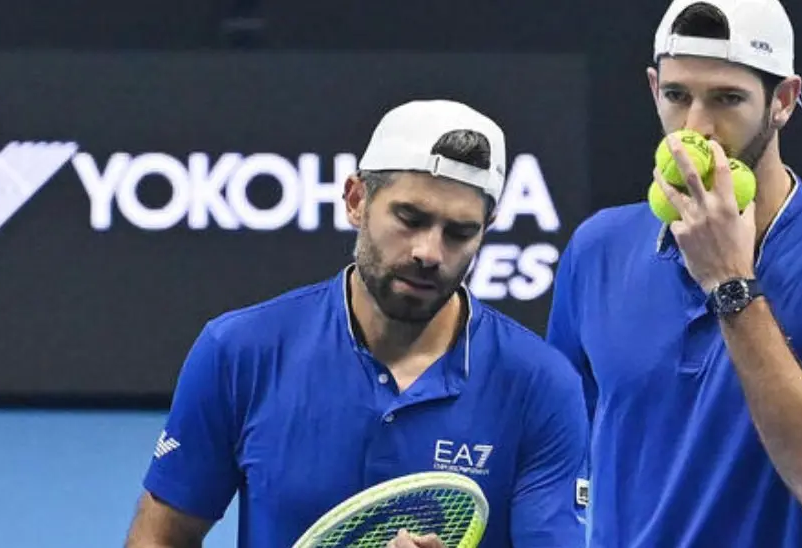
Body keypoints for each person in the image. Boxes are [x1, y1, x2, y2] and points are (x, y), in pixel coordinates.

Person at [124, 99, 589, 548]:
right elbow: (161, 537)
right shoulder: (238, 351)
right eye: (410, 218)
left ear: (485, 230)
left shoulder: (541, 386)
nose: (429, 252)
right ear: (356, 200)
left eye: (460, 232)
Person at [546, 1, 802, 546]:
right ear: (653, 89)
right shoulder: (597, 248)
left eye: (727, 98)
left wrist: (730, 283)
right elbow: (552, 457)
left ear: (783, 101)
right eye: (677, 95)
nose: (695, 129)